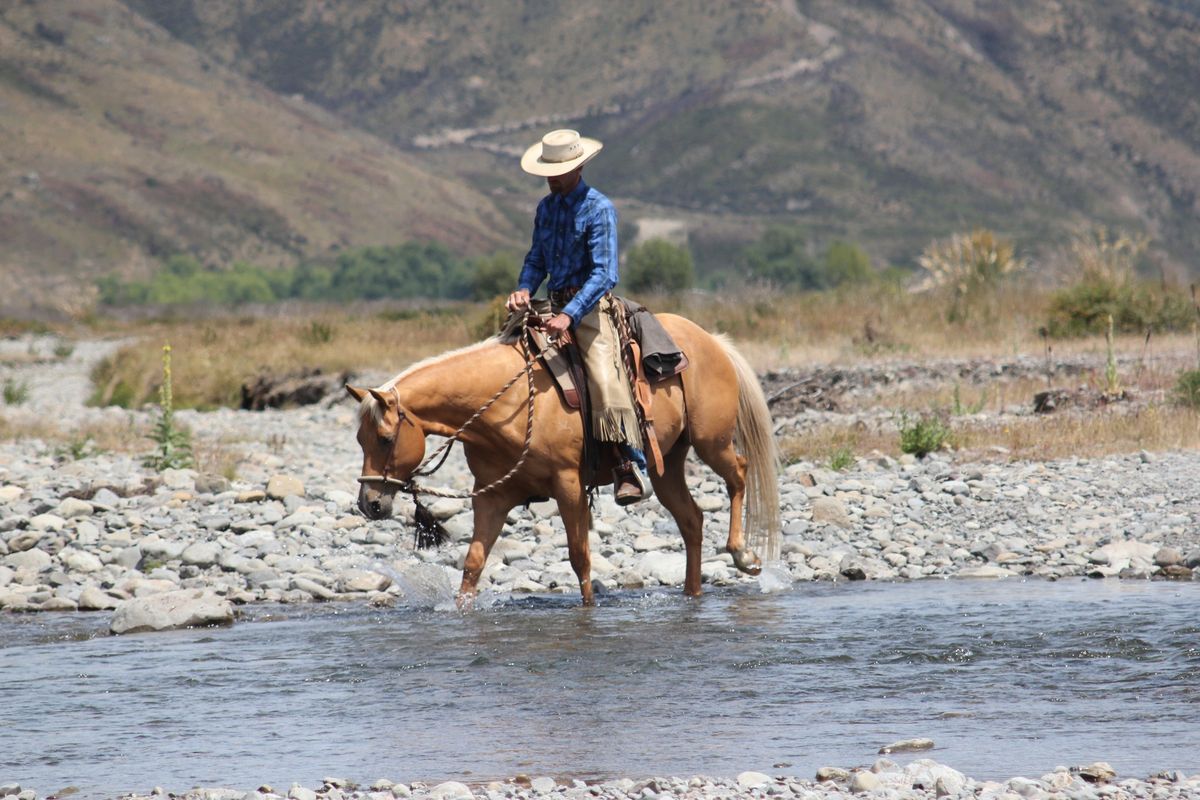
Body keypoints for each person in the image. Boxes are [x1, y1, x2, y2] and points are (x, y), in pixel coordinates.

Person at [506, 129, 649, 505]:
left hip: (588, 308)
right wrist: (524, 288)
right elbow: (536, 258)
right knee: (503, 352)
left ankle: (625, 463)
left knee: (603, 375)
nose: (552, 178)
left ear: (580, 166)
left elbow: (605, 274)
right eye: (549, 172)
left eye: (560, 171)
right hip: (549, 303)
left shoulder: (599, 208)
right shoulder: (545, 208)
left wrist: (570, 315)